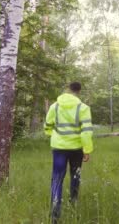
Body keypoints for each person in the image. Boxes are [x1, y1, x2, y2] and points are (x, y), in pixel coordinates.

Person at [44, 82, 94, 223]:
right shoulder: (83, 108)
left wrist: (51, 135)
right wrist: (87, 150)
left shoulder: (55, 106)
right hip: (76, 149)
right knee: (75, 176)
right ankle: (73, 204)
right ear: (79, 91)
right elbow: (86, 131)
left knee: (57, 179)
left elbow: (48, 125)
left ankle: (55, 213)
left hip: (59, 149)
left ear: (68, 90)